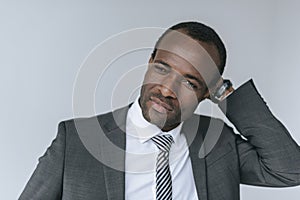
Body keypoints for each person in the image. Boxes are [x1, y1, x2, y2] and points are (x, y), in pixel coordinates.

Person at [19, 21, 300, 200]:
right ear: (150, 60)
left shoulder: (218, 143)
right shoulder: (76, 141)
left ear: (207, 92)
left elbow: (290, 171)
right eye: (162, 69)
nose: (166, 90)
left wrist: (227, 95)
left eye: (190, 83)